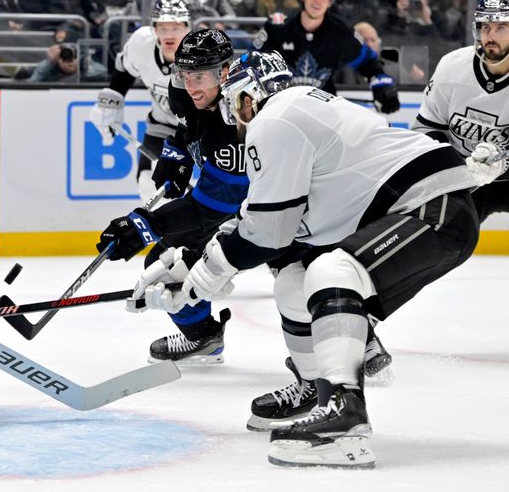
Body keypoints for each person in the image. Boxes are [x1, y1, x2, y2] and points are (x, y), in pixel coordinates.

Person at [133, 49, 480, 467]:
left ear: (247, 97)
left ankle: (344, 418)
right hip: (416, 205)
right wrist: (188, 264)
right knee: (294, 281)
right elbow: (263, 223)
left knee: (332, 271)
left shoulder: (273, 121)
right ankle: (316, 389)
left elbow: (267, 233)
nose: (233, 117)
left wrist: (205, 277)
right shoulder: (293, 113)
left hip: (431, 206)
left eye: (233, 103)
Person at [96, 29, 246, 364]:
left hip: (277, 213)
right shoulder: (185, 92)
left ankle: (358, 342)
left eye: (200, 75)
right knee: (162, 266)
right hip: (235, 203)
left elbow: (210, 212)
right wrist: (176, 156)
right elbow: (186, 129)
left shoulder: (234, 125)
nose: (190, 84)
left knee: (301, 277)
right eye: (184, 73)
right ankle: (203, 337)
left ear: (224, 72)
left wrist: (147, 224)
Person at [412, 0, 509, 223]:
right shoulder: (452, 67)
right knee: (432, 233)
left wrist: (503, 162)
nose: (490, 36)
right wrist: (454, 170)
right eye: (485, 26)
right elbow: (425, 131)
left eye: (500, 27)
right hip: (461, 177)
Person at [89, 0, 191, 202]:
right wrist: (111, 105)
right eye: (162, 27)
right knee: (148, 183)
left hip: (200, 131)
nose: (169, 34)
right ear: (154, 29)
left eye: (176, 27)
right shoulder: (141, 44)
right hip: (162, 126)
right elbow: (124, 71)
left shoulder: (203, 53)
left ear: (188, 28)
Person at [255, 0, 400, 113]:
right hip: (281, 107)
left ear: (330, 2)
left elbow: (367, 64)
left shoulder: (340, 31)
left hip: (322, 109)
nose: (318, 0)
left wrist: (382, 85)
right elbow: (254, 63)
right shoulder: (278, 26)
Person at [28, 42, 108, 82]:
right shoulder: (49, 68)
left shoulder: (85, 66)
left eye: (73, 56)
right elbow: (33, 82)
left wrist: (86, 63)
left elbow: (103, 74)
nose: (69, 61)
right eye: (64, 56)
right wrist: (50, 62)